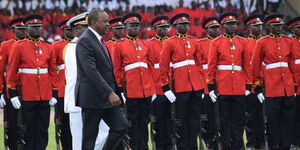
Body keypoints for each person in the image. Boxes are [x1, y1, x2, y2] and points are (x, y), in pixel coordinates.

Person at [75, 9, 128, 150]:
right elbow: (91, 71)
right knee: (90, 137)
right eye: (104, 21)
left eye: (108, 21)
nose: (108, 24)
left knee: (121, 126)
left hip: (107, 97)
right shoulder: (85, 40)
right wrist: (109, 92)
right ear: (93, 23)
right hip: (93, 97)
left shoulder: (99, 39)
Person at [6, 14, 58, 150]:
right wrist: (12, 94)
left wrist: (54, 92)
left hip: (45, 95)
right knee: (28, 129)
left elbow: (52, 71)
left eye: (39, 27)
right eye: (33, 27)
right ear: (27, 28)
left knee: (42, 128)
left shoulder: (48, 47)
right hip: (27, 94)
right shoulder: (19, 46)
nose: (37, 30)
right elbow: (12, 71)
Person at [64, 12, 111, 150]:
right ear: (76, 30)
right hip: (79, 101)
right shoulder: (73, 47)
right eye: (86, 27)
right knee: (81, 142)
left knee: (102, 135)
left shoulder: (94, 43)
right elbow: (86, 74)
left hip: (96, 100)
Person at [206, 11, 252, 150]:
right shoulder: (216, 42)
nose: (233, 26)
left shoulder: (242, 42)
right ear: (223, 26)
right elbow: (211, 66)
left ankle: (238, 145)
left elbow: (246, 66)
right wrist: (211, 87)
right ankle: (226, 145)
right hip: (223, 85)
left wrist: (248, 85)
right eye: (229, 24)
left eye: (234, 24)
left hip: (238, 86)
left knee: (239, 118)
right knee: (224, 119)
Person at [159, 13, 205, 149]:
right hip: (180, 85)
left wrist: (201, 85)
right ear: (175, 26)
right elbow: (163, 65)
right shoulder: (169, 42)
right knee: (182, 121)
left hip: (195, 86)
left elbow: (199, 65)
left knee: (195, 120)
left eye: (187, 24)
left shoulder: (195, 41)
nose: (185, 26)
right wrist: (165, 88)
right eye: (181, 24)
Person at [252, 13, 296, 150]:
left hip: (287, 86)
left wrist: (294, 85)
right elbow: (255, 65)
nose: (279, 28)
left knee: (288, 120)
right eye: (275, 25)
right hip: (272, 86)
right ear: (269, 26)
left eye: (280, 25)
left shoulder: (288, 41)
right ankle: (274, 146)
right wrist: (258, 86)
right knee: (273, 120)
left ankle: (286, 146)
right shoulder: (262, 42)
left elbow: (292, 64)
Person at [113, 12, 156, 150]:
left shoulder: (145, 44)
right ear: (125, 27)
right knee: (131, 122)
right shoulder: (119, 45)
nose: (135, 28)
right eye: (132, 25)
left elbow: (150, 66)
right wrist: (120, 89)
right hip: (130, 89)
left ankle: (143, 147)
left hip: (146, 90)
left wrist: (152, 88)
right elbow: (117, 69)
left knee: (144, 122)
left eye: (137, 25)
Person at [0, 17, 27, 150]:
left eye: (24, 29)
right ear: (12, 30)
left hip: (28, 88)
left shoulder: (31, 44)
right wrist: (0, 91)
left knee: (27, 122)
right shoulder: (6, 45)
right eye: (19, 29)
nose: (23, 32)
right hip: (11, 89)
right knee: (11, 122)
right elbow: (0, 69)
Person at [148, 15, 172, 150]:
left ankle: (171, 144)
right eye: (161, 27)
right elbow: (149, 68)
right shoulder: (150, 44)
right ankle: (162, 145)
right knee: (161, 119)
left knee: (173, 119)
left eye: (166, 27)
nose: (164, 30)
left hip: (174, 86)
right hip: (158, 87)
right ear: (155, 29)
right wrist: (151, 88)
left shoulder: (171, 41)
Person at [197, 16, 221, 149]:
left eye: (217, 27)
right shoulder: (200, 44)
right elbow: (198, 67)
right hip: (206, 85)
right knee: (208, 115)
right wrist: (202, 87)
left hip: (223, 83)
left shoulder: (225, 42)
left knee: (222, 115)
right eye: (212, 28)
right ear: (206, 29)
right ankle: (209, 140)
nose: (216, 30)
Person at [243, 14, 265, 150]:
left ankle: (262, 141)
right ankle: (251, 142)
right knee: (251, 116)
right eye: (256, 26)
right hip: (251, 85)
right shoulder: (245, 43)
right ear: (249, 27)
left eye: (261, 25)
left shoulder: (266, 41)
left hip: (268, 83)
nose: (260, 27)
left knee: (265, 116)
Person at [51, 19, 74, 150]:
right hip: (61, 89)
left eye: (71, 29)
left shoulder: (79, 44)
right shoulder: (56, 46)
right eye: (67, 30)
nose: (70, 32)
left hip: (76, 88)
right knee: (63, 122)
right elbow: (52, 69)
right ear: (62, 31)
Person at [287, 16, 300, 150]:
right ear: (292, 29)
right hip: (295, 86)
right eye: (298, 27)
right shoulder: (289, 42)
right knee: (295, 115)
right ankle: (295, 142)